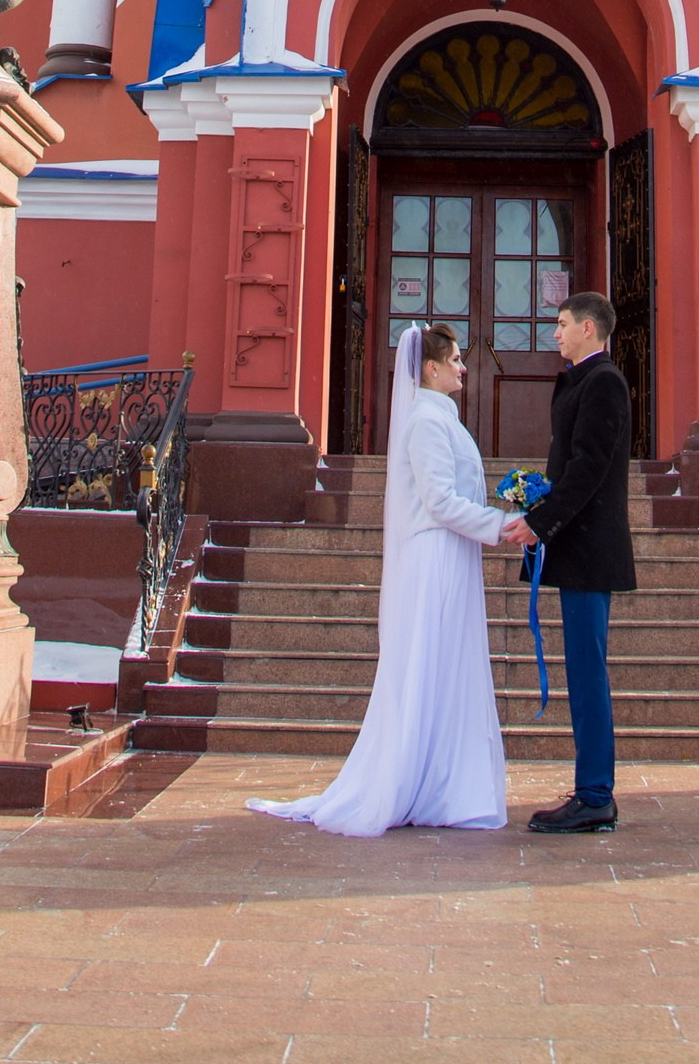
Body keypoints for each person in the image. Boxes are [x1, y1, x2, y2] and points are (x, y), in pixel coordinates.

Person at [246, 324, 528, 837]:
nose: (463, 367)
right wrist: (500, 525)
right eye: (455, 359)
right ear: (431, 369)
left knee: (447, 664)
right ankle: (414, 780)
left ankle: (441, 782)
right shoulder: (426, 421)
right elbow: (439, 502)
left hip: (454, 553)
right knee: (429, 662)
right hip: (436, 556)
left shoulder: (441, 418)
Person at [520, 292, 636, 832]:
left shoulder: (604, 382)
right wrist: (538, 507)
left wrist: (541, 522)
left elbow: (589, 468)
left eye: (562, 324)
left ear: (588, 328)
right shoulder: (583, 381)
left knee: (587, 672)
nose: (556, 333)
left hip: (590, 549)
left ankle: (595, 795)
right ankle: (592, 791)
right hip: (578, 545)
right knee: (583, 670)